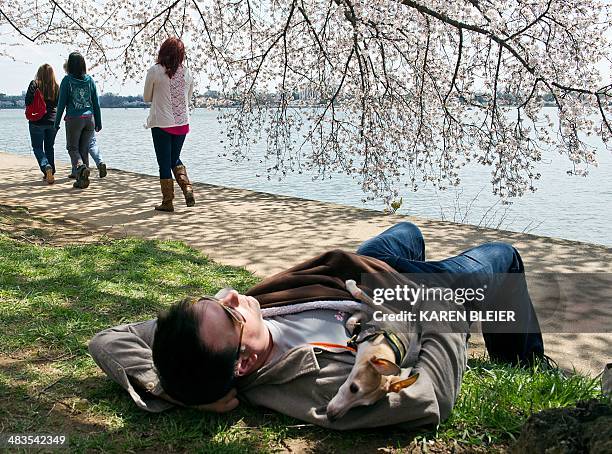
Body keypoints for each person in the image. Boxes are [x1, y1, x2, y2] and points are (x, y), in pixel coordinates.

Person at [89, 222, 546, 429]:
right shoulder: (317, 387)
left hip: (346, 273)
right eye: (229, 313)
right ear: (244, 364)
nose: (231, 295)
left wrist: (181, 393)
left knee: (406, 230)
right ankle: (528, 366)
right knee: (503, 258)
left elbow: (107, 339)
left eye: (216, 299)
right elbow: (429, 398)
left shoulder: (193, 343)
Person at [143, 37, 195, 212]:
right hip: (182, 124)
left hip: (162, 123)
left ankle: (168, 202)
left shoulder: (155, 71)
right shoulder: (187, 73)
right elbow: (187, 99)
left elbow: (147, 98)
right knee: (174, 159)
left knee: (164, 163)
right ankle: (187, 187)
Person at [54, 51, 102, 189]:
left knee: (72, 148)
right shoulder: (89, 80)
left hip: (74, 119)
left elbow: (61, 104)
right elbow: (96, 103)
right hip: (89, 119)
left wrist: (56, 124)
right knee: (83, 149)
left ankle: (80, 168)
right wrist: (98, 121)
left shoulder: (67, 80)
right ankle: (83, 180)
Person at [25, 64, 59, 184]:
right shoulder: (56, 86)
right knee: (49, 147)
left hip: (37, 121)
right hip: (52, 121)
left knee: (37, 147)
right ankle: (50, 172)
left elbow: (27, 101)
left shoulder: (34, 84)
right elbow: (58, 104)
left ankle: (46, 167)